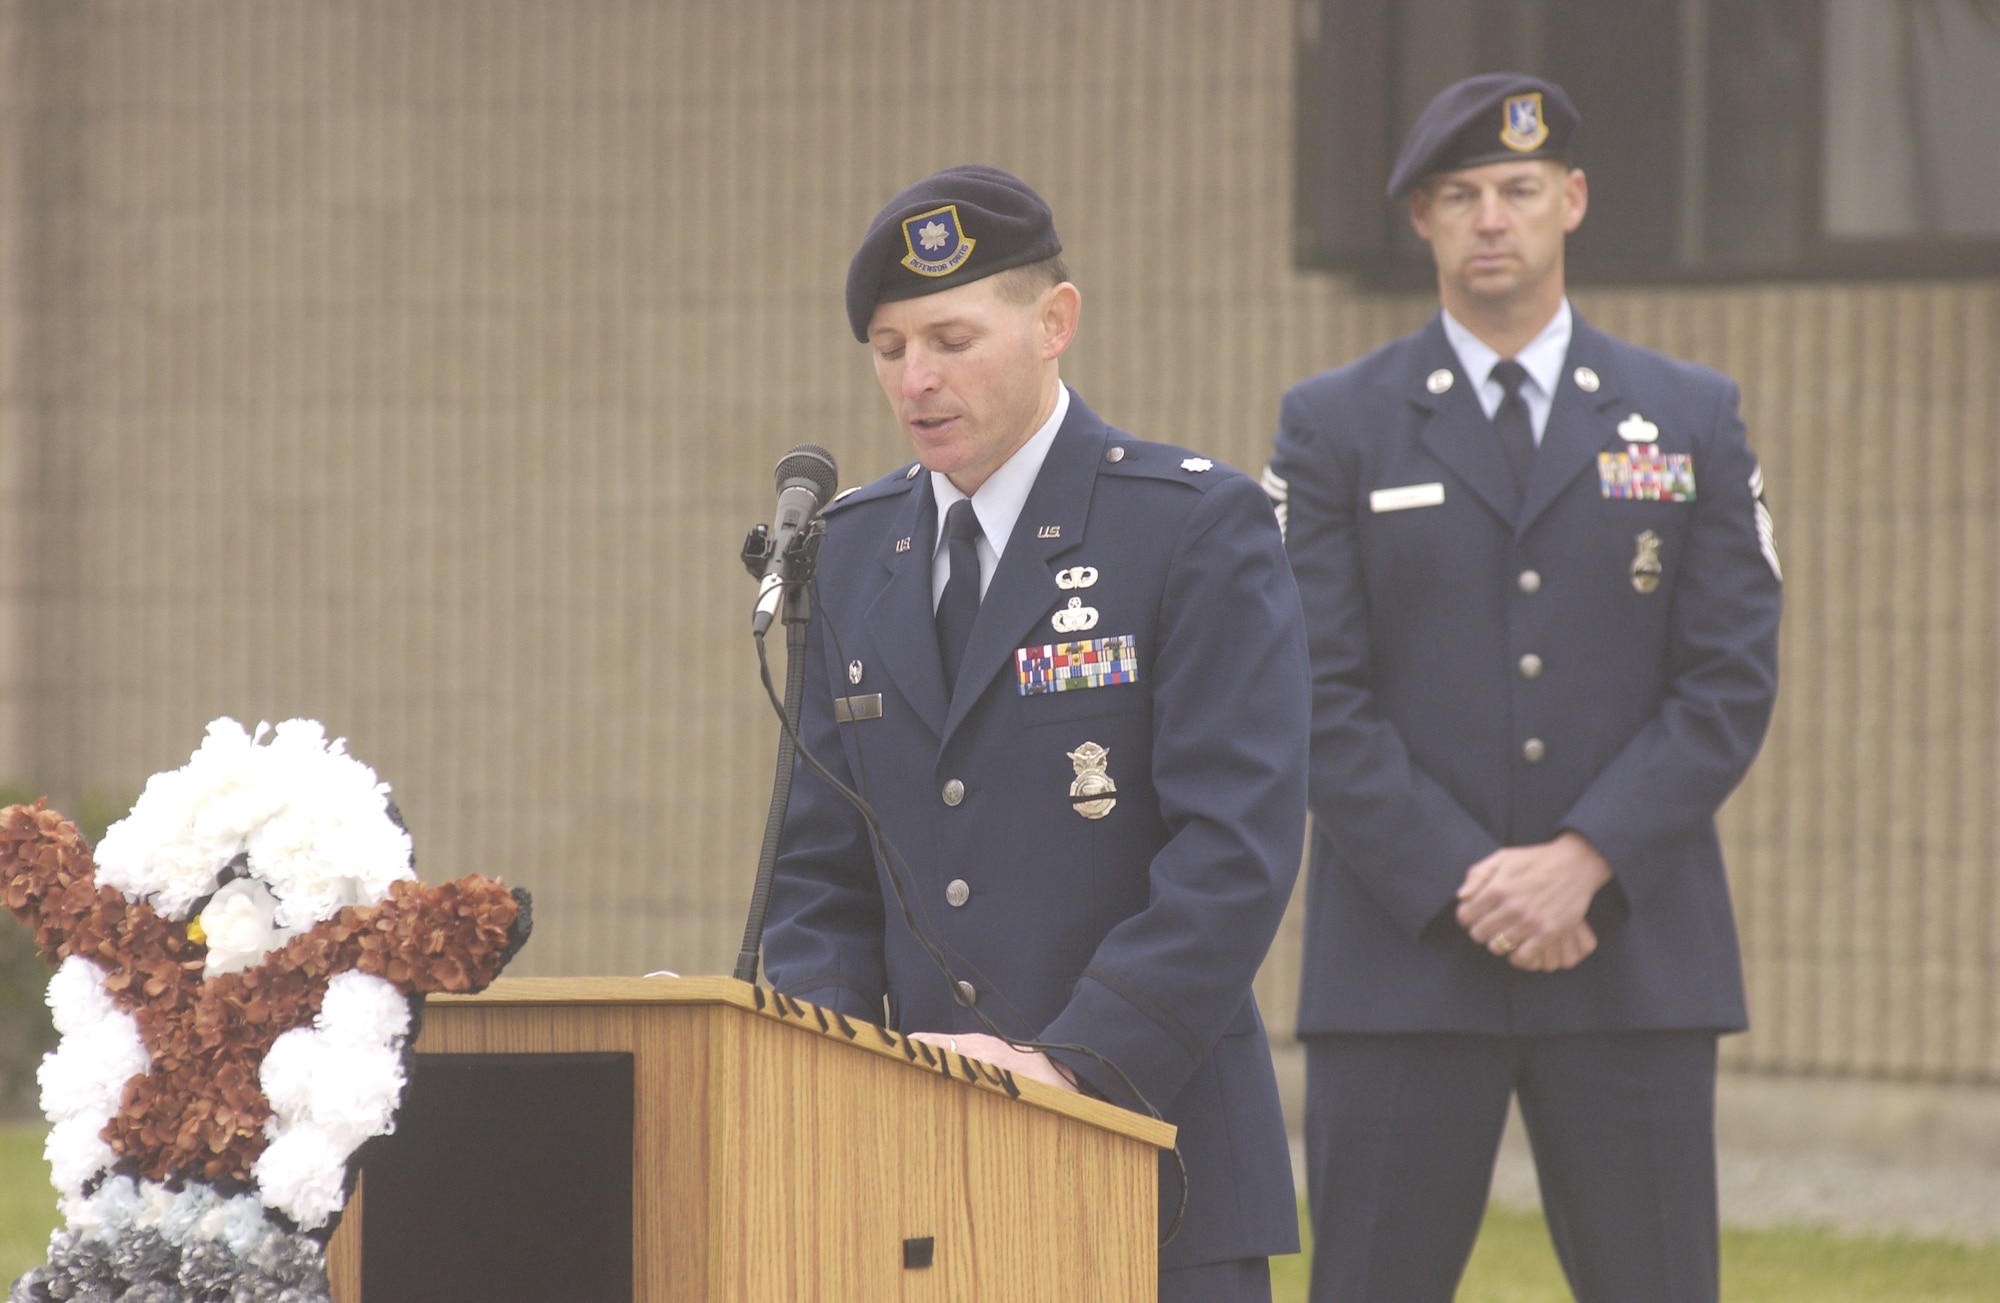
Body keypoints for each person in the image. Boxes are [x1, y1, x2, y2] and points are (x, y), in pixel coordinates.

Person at [1265, 75, 1783, 1302]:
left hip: (1628, 956)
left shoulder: (1688, 418)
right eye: (1457, 195)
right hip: (1403, 963)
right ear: (1421, 224)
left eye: (1514, 189)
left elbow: (1726, 678)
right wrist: (1472, 883)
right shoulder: (1331, 427)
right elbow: (1304, 688)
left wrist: (1581, 861)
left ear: (1572, 201)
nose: (1488, 217)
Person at [760, 164, 1310, 1301]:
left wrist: (1066, 1064)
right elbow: (816, 871)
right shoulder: (851, 551)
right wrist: (839, 1080)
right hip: (905, 1173)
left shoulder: (1189, 526)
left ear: (1054, 322)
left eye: (952, 338)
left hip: (1150, 1157)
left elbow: (1232, 849)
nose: (916, 379)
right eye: (888, 347)